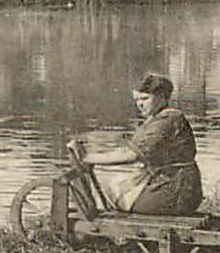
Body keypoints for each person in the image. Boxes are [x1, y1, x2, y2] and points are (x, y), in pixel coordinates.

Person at [78, 73, 203, 215]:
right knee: (111, 189)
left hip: (177, 191)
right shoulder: (156, 118)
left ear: (162, 97)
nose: (140, 104)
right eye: (137, 99)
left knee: (113, 198)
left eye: (145, 98)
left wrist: (89, 158)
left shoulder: (168, 119)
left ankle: (105, 233)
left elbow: (131, 155)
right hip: (172, 184)